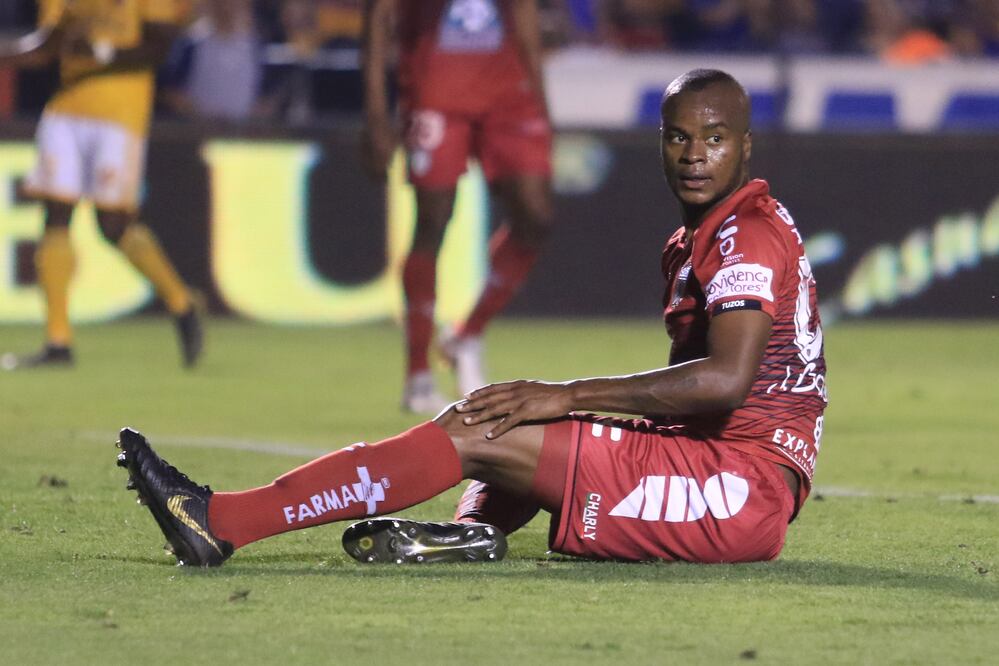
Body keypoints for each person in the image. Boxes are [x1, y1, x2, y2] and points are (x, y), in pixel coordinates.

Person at [116, 69, 827, 567]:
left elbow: (726, 382)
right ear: (660, 142)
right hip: (721, 473)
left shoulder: (745, 235)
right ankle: (467, 536)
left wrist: (569, 396)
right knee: (507, 413)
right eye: (678, 138)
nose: (693, 156)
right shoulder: (704, 235)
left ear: (744, 146)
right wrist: (558, 405)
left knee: (489, 425)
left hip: (737, 489)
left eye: (713, 139)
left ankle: (220, 522)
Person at [362, 0, 555, 413]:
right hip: (436, 92)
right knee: (432, 221)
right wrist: (377, 114)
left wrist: (541, 102)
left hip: (508, 93)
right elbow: (378, 14)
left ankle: (466, 334)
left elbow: (523, 16)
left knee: (535, 219)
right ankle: (418, 376)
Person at [0, 0, 202, 370]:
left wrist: (104, 52)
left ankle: (181, 303)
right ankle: (58, 341)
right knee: (55, 213)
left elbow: (159, 45)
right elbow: (49, 46)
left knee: (113, 225)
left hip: (119, 112)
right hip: (67, 107)